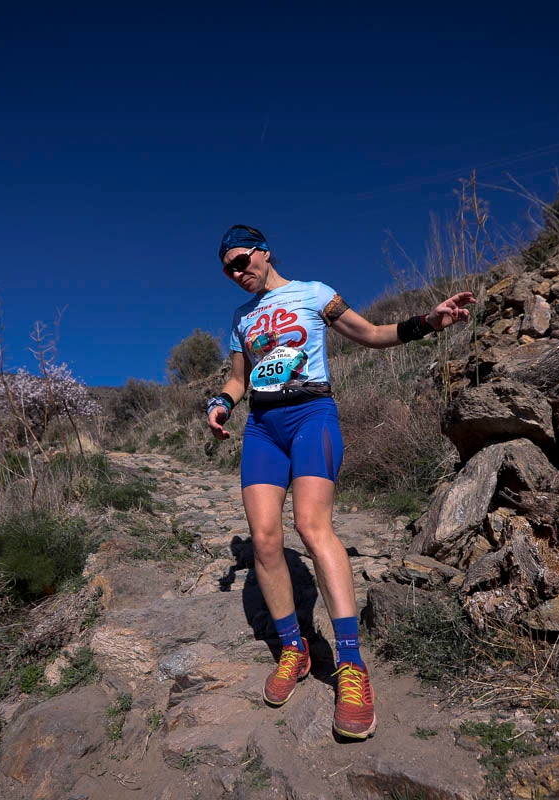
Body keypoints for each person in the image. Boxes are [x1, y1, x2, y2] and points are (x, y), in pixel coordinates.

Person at [206, 224, 476, 739]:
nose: (238, 273)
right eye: (229, 269)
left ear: (264, 252)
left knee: (311, 527)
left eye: (243, 261)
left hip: (312, 415)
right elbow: (239, 378)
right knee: (264, 538)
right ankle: (294, 650)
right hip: (262, 426)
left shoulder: (314, 294)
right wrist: (221, 404)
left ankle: (350, 665)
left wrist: (430, 322)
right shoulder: (241, 319)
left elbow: (371, 334)